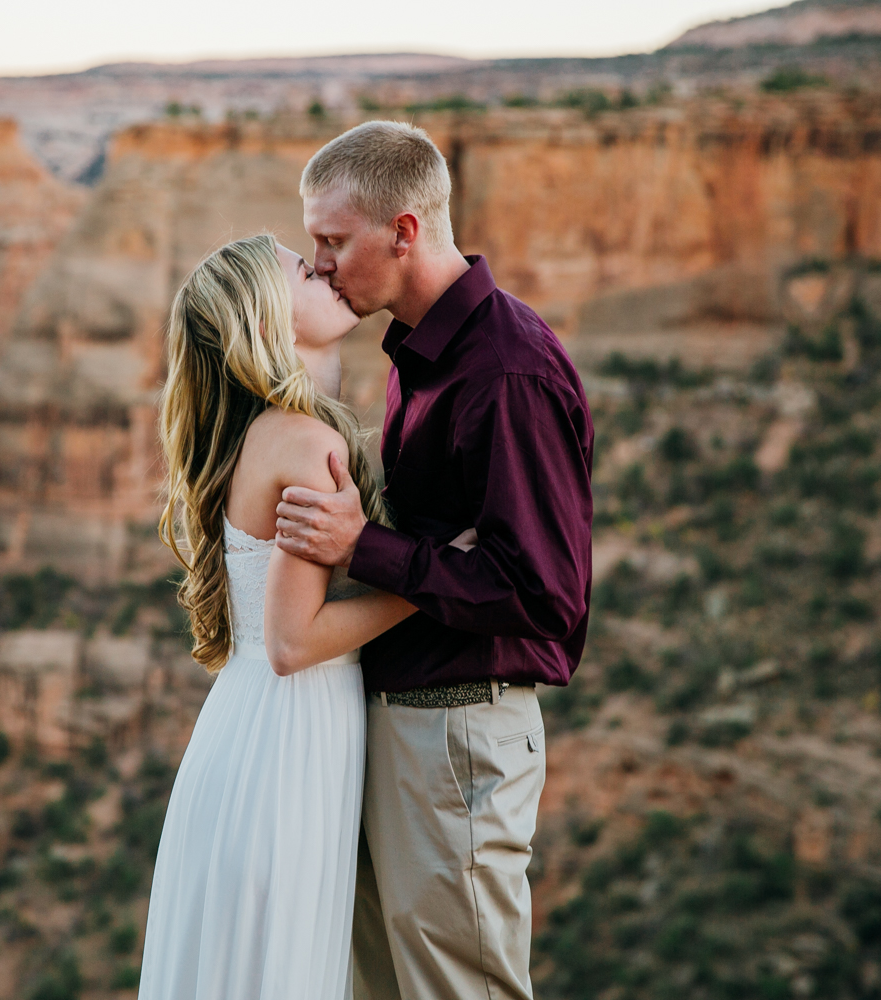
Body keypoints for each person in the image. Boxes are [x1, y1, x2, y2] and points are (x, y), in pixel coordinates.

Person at [274, 121, 595, 1000]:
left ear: (404, 231)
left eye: (333, 241)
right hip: (405, 728)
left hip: (456, 736)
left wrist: (363, 547)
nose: (323, 264)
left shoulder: (504, 372)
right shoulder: (419, 355)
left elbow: (546, 593)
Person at [139, 233, 471, 999]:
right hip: (286, 741)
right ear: (268, 317)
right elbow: (294, 642)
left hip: (252, 727)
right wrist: (434, 578)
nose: (319, 266)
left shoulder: (269, 432)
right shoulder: (306, 443)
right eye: (299, 266)